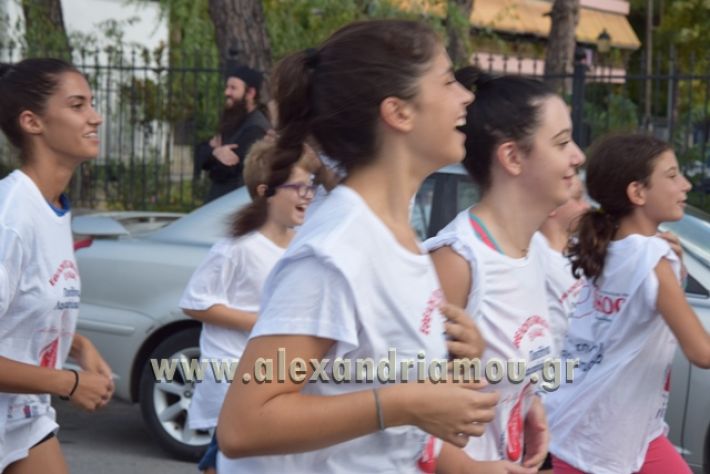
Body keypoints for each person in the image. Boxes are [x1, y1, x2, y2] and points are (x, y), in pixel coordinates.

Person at [216, 19, 507, 473]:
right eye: (448, 80)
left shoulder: (397, 234)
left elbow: (367, 390)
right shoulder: (336, 252)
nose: (466, 96)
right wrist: (405, 403)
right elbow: (243, 426)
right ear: (398, 112)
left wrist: (450, 360)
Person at [426, 67, 585, 471]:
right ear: (513, 157)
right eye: (562, 142)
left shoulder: (531, 251)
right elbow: (402, 410)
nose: (578, 156)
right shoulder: (458, 260)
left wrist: (529, 403)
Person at [545, 134, 710, 474]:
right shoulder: (650, 254)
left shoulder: (609, 247)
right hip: (599, 444)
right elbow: (701, 352)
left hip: (615, 432)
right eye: (672, 175)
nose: (686, 184)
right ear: (637, 193)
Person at [0, 58, 114, 473]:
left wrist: (78, 345)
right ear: (32, 122)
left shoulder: (51, 207)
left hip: (22, 416)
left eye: (92, 104)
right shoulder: (11, 217)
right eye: (77, 105)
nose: (95, 117)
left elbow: (21, 309)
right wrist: (69, 382)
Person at [180, 138, 318, 474]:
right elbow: (194, 302)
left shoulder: (303, 246)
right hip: (231, 376)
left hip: (274, 377)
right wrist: (258, 322)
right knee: (230, 454)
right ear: (264, 192)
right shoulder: (238, 247)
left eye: (310, 186)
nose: (307, 195)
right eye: (297, 187)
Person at [532, 172, 590, 358]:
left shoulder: (584, 251)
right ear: (551, 207)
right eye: (578, 198)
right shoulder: (535, 258)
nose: (587, 207)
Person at [197, 64, 271, 203]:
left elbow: (222, 171)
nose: (227, 92)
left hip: (234, 206)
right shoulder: (234, 119)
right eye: (227, 87)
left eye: (233, 88)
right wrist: (216, 152)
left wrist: (212, 153)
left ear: (250, 93)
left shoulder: (256, 128)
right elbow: (200, 154)